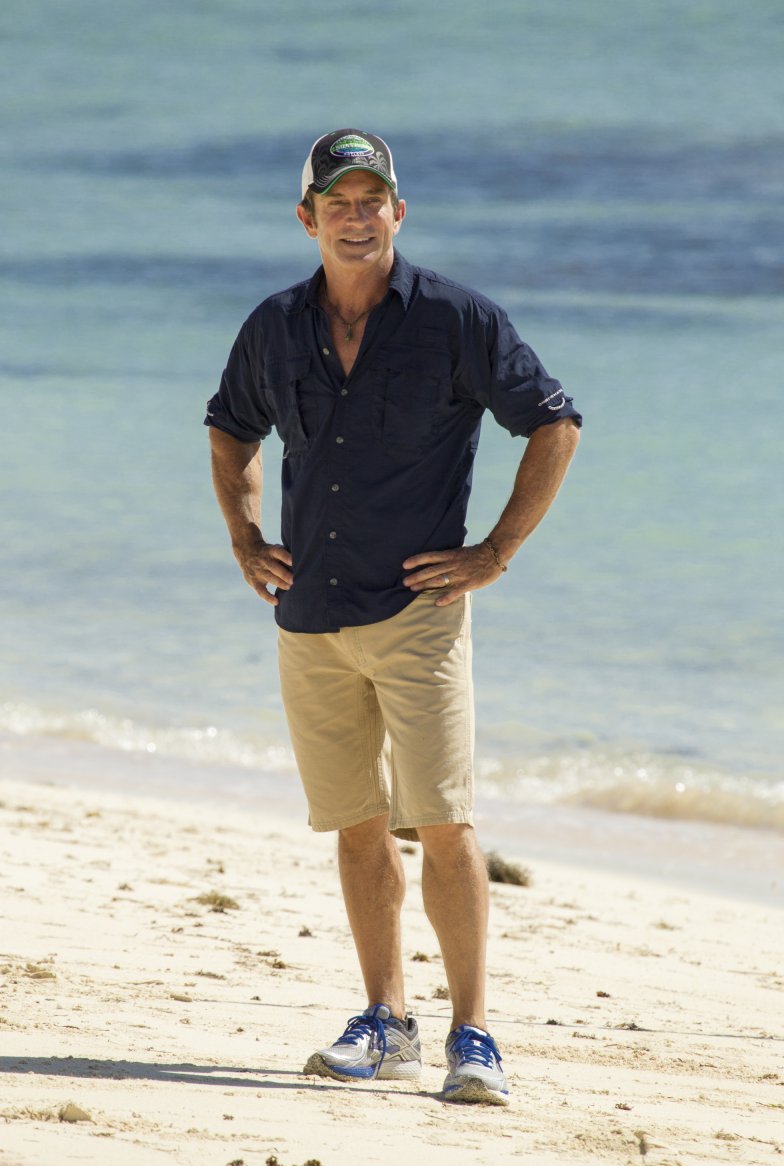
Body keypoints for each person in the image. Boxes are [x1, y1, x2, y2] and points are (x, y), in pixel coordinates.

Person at [206, 128, 581, 1107]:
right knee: (356, 824)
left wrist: (494, 552)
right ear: (308, 219)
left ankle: (472, 1035)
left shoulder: (458, 319)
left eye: (372, 200)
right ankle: (386, 1021)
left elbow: (554, 423)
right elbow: (230, 427)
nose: (356, 217)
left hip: (420, 613)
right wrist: (244, 537)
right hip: (309, 618)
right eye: (337, 202)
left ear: (398, 212)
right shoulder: (273, 327)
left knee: (444, 822)